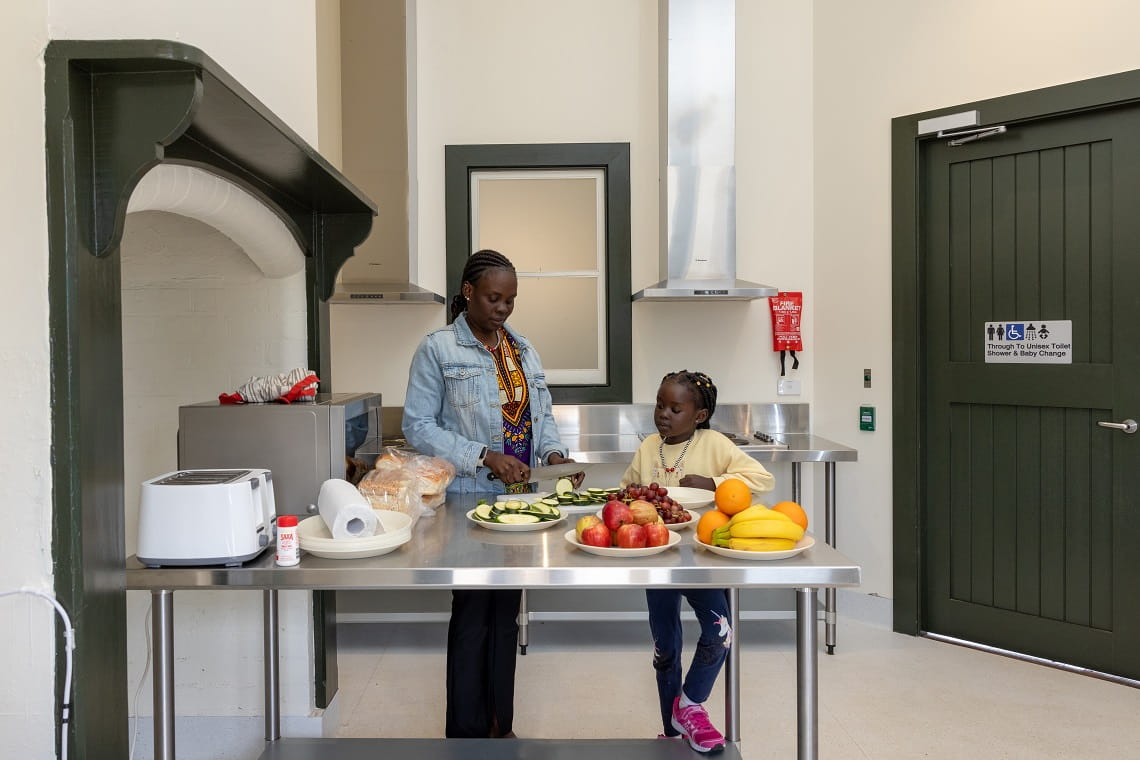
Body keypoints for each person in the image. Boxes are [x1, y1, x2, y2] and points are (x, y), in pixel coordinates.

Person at [402, 248, 582, 739]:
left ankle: (501, 729)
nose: (503, 308)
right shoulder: (438, 349)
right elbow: (417, 425)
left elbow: (542, 417)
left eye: (510, 300)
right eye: (493, 298)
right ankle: (465, 737)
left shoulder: (522, 350)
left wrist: (554, 456)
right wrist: (483, 455)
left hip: (523, 504)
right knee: (471, 616)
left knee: (505, 616)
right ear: (468, 293)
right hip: (468, 501)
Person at [620, 370, 774, 753]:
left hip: (702, 556)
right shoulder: (649, 447)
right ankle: (672, 731)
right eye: (660, 405)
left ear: (699, 415)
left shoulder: (715, 444)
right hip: (657, 558)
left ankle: (690, 704)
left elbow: (762, 479)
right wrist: (629, 497)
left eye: (675, 409)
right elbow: (626, 491)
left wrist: (714, 484)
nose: (663, 414)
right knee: (665, 646)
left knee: (720, 631)